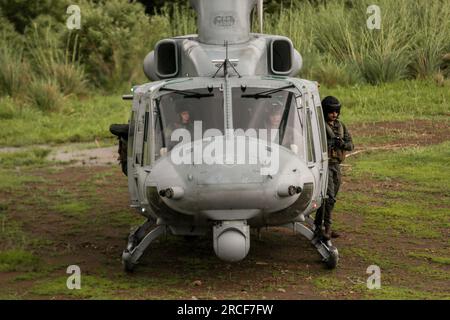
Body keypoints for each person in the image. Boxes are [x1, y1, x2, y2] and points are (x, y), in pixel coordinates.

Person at [315, 96, 354, 241]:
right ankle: (327, 228)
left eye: (336, 111)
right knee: (329, 198)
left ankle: (319, 225)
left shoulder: (341, 126)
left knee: (331, 198)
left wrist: (340, 143)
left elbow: (351, 145)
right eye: (331, 111)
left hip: (336, 166)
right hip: (325, 166)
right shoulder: (319, 127)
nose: (334, 114)